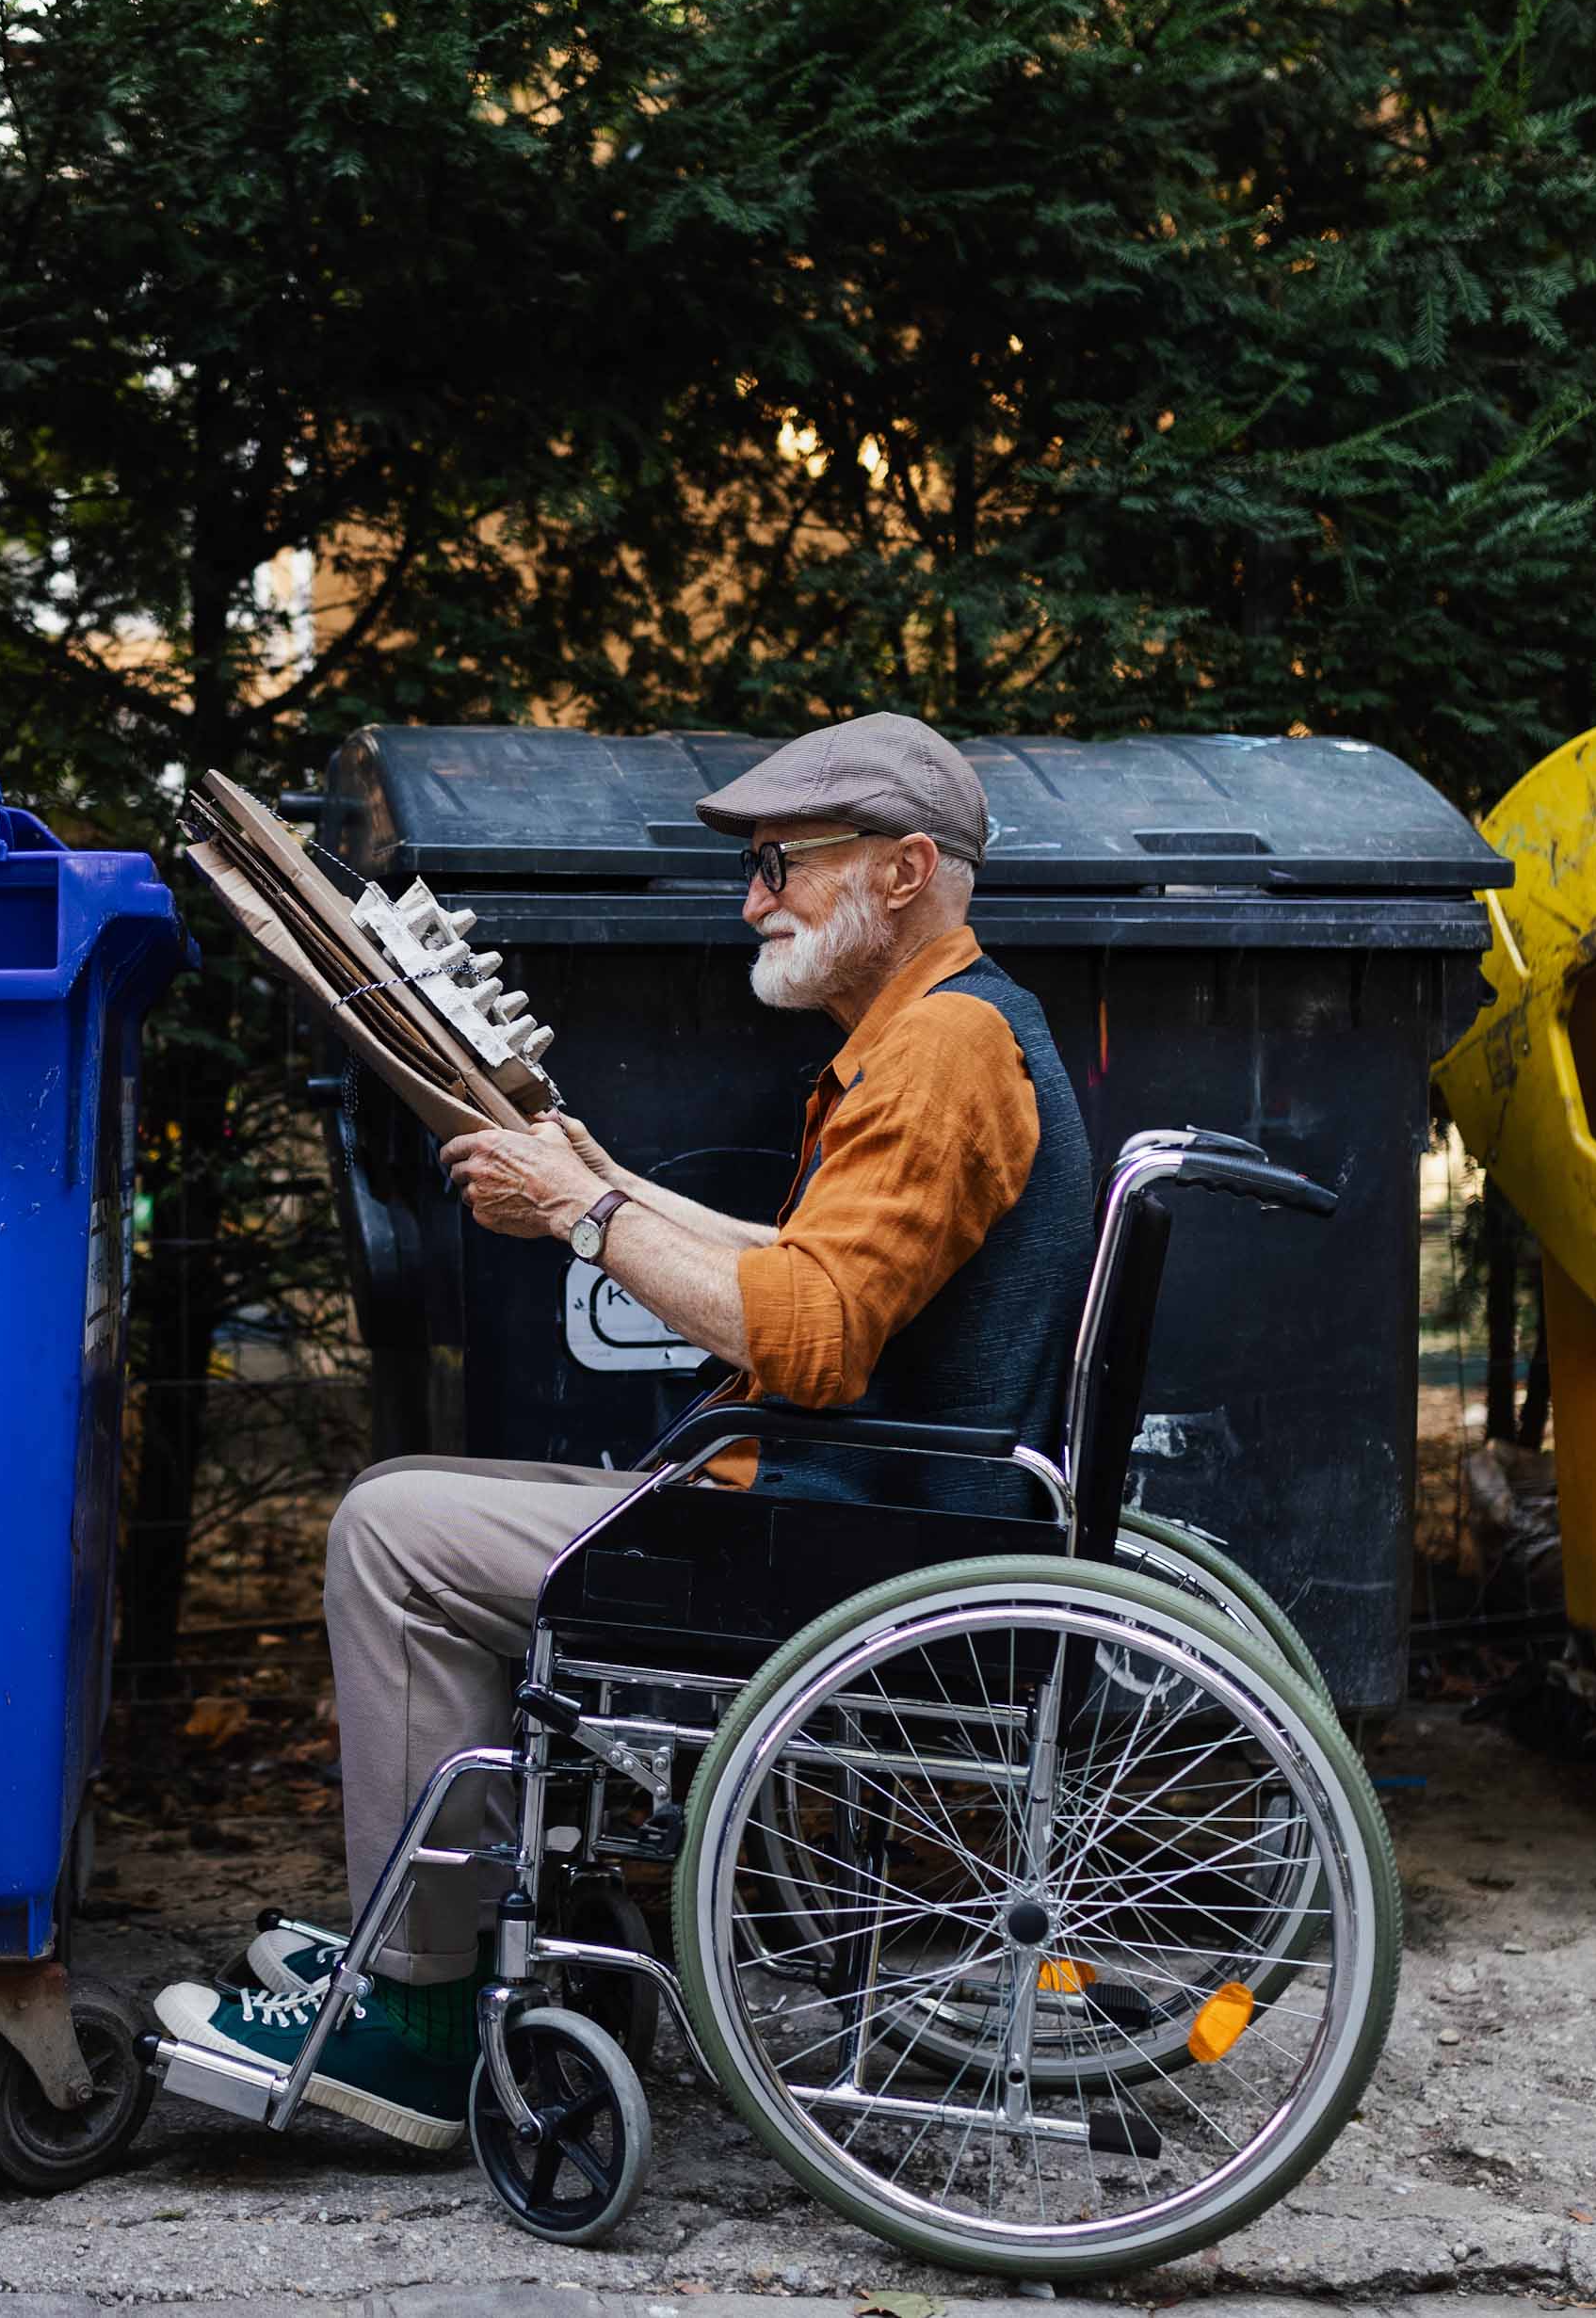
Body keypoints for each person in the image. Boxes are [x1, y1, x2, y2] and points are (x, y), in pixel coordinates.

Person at [148, 711, 1099, 2149]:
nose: (753, 898)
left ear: (904, 871)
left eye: (782, 863)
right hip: (869, 1512)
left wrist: (582, 1213)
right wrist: (603, 1178)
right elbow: (802, 1266)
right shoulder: (948, 1033)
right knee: (417, 1489)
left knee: (390, 1534)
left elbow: (816, 1336)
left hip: (842, 1545)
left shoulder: (942, 1056)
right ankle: (450, 1946)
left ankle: (412, 2019)